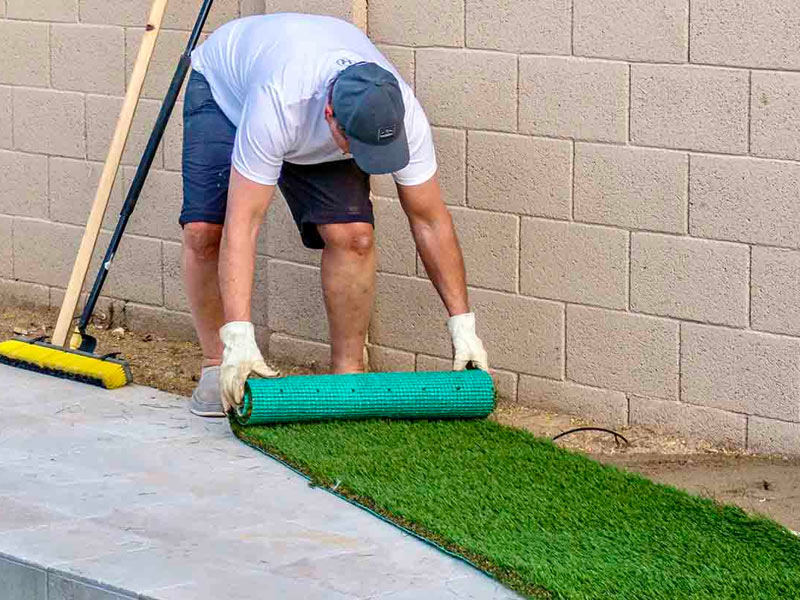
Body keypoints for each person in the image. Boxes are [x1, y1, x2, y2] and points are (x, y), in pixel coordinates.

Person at [182, 13, 488, 417]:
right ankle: (216, 363)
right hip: (227, 95)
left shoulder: (400, 112)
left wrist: (462, 327)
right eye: (356, 145)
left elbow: (429, 220)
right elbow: (246, 223)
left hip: (304, 101)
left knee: (354, 236)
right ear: (331, 116)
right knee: (207, 230)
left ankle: (347, 378)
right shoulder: (279, 102)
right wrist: (238, 336)